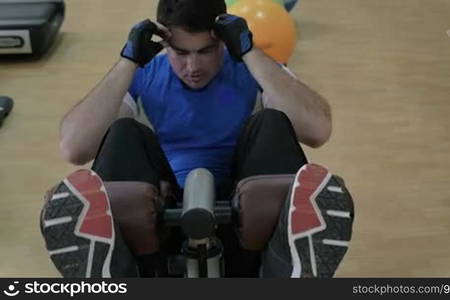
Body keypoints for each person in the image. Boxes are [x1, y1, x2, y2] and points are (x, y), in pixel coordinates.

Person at [40, 0, 354, 278]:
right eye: (181, 52)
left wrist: (249, 51)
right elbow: (73, 148)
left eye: (205, 51)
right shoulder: (142, 77)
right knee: (123, 133)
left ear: (222, 39)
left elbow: (318, 130)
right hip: (159, 234)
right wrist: (128, 62)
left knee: (271, 122)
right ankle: (117, 274)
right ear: (164, 42)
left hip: (247, 226)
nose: (193, 67)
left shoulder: (255, 72)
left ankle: (285, 266)